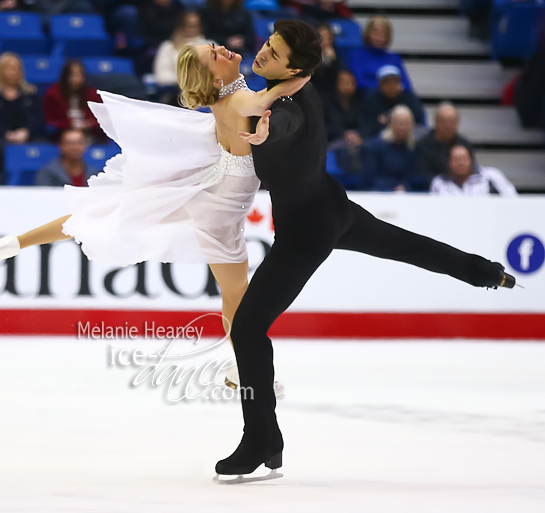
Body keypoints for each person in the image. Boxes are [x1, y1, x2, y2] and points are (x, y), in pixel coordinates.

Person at [214, 20, 517, 483]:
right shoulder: (288, 85)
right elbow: (271, 96)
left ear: (293, 67)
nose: (262, 54)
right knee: (407, 246)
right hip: (331, 205)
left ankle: (262, 439)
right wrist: (251, 98)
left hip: (307, 230)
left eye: (273, 53)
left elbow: (284, 123)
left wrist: (263, 135)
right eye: (267, 45)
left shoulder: (288, 104)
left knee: (249, 328)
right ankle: (485, 272)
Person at [0, 41, 309, 398]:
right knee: (235, 293)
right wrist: (307, 68)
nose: (222, 48)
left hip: (209, 191)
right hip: (221, 211)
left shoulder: (230, 96)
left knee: (110, 208)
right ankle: (246, 370)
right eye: (214, 55)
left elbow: (261, 97)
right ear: (212, 73)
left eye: (214, 46)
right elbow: (271, 95)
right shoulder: (236, 101)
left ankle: (10, 244)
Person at [0, 52, 45, 185]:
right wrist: (6, 134)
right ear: (0, 71)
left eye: (15, 68)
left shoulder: (30, 94)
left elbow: (38, 119)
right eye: (8, 68)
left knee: (42, 147)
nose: (12, 72)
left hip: (26, 137)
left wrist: (26, 132)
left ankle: (39, 182)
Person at [154, 11, 211, 104]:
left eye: (194, 25)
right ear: (180, 27)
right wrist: (187, 82)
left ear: (201, 27)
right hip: (175, 93)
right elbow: (162, 76)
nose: (191, 29)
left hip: (206, 92)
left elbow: (218, 73)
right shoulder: (168, 47)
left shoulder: (210, 45)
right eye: (188, 25)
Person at [43, 59, 104, 144]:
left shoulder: (92, 94)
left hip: (89, 135)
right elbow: (50, 121)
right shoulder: (53, 94)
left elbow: (101, 119)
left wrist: (89, 124)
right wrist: (70, 124)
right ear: (65, 76)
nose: (76, 78)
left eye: (79, 75)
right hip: (62, 134)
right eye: (73, 75)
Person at [358, 65, 425, 139]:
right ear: (380, 85)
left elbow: (420, 126)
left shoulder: (410, 99)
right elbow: (365, 129)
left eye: (394, 81)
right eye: (386, 82)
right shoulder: (371, 101)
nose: (391, 86)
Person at [348, 16, 412, 91]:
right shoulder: (356, 55)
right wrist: (387, 88)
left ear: (388, 36)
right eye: (375, 32)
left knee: (410, 97)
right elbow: (359, 82)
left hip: (392, 97)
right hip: (366, 97)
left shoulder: (394, 58)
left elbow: (406, 84)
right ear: (368, 33)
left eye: (383, 34)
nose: (378, 37)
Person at [363, 105, 419, 192]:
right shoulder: (376, 146)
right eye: (399, 123)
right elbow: (370, 178)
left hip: (406, 193)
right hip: (380, 193)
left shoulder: (413, 149)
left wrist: (404, 186)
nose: (402, 127)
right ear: (391, 124)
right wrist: (393, 187)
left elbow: (414, 178)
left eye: (406, 123)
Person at [430, 145, 518, 196]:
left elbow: (512, 199)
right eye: (456, 160)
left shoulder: (490, 177)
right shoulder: (438, 183)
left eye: (463, 159)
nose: (460, 163)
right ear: (449, 163)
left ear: (470, 161)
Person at [416, 102, 473, 178]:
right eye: (443, 121)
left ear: (457, 122)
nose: (447, 125)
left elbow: (472, 173)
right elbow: (420, 176)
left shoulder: (465, 145)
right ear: (436, 121)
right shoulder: (422, 146)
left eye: (451, 121)